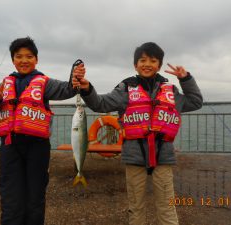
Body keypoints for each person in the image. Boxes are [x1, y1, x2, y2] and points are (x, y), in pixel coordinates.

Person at [72, 42, 203, 225]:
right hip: (134, 156)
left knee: (167, 207)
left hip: (163, 157)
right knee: (136, 207)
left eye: (152, 60)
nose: (147, 64)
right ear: (135, 65)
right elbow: (100, 104)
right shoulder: (125, 89)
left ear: (159, 65)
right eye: (142, 60)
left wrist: (186, 79)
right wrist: (87, 89)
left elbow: (196, 102)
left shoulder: (171, 91)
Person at [0, 37, 85, 225]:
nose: (24, 60)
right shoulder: (4, 85)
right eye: (19, 56)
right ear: (13, 60)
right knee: (10, 198)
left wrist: (75, 76)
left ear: (36, 59)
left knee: (35, 197)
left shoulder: (45, 83)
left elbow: (67, 90)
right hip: (9, 148)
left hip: (37, 148)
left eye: (29, 56)